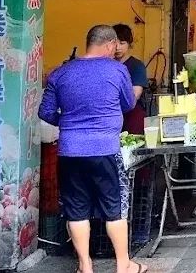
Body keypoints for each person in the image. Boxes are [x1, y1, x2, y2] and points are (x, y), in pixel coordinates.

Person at [38, 25, 142, 273]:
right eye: (115, 47)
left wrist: (70, 123)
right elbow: (128, 104)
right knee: (113, 208)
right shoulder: (117, 70)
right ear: (109, 45)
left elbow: (45, 112)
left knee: (76, 211)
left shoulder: (60, 73)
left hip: (70, 152)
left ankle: (85, 266)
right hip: (105, 149)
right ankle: (123, 265)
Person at [112, 24, 148, 134]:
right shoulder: (107, 66)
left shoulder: (137, 66)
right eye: (115, 43)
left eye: (122, 43)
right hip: (111, 121)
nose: (118, 47)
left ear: (129, 44)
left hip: (132, 119)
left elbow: (134, 96)